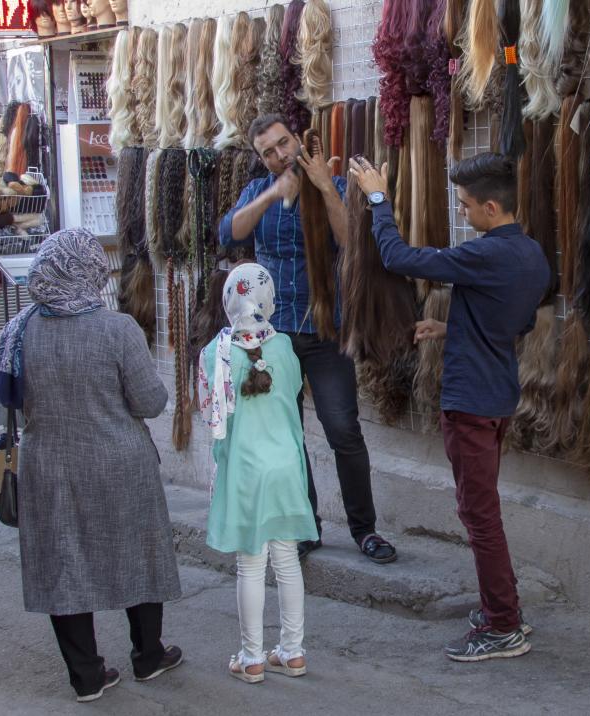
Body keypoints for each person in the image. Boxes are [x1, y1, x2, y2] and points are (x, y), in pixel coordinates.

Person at [348, 152, 550, 662]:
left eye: (464, 205)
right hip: (497, 396)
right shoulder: (532, 256)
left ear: (489, 206)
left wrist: (378, 199)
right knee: (481, 511)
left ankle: (504, 626)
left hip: (470, 402)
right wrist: (450, 326)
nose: (462, 214)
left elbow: (399, 258)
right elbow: (512, 325)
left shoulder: (485, 255)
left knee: (479, 516)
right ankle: (499, 610)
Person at [0, 229, 183, 702]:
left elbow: (6, 402)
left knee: (64, 562)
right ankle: (148, 655)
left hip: (50, 467)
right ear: (92, 270)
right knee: (137, 550)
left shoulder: (20, 329)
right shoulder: (117, 329)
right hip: (119, 463)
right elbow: (151, 402)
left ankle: (87, 677)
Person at [219, 113, 397, 565]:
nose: (280, 156)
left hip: (324, 331)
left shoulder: (334, 185)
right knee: (288, 437)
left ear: (297, 139)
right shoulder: (257, 191)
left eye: (284, 144)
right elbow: (229, 233)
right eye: (269, 152)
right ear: (260, 159)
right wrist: (272, 196)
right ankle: (305, 526)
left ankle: (365, 530)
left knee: (343, 430)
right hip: (274, 336)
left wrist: (319, 185)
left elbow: (349, 241)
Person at [197, 263, 319, 683]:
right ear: (270, 301)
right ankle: (293, 652)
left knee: (250, 566)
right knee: (287, 562)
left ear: (227, 301)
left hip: (245, 472)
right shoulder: (285, 347)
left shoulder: (214, 354)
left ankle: (250, 657)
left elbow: (209, 416)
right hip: (285, 468)